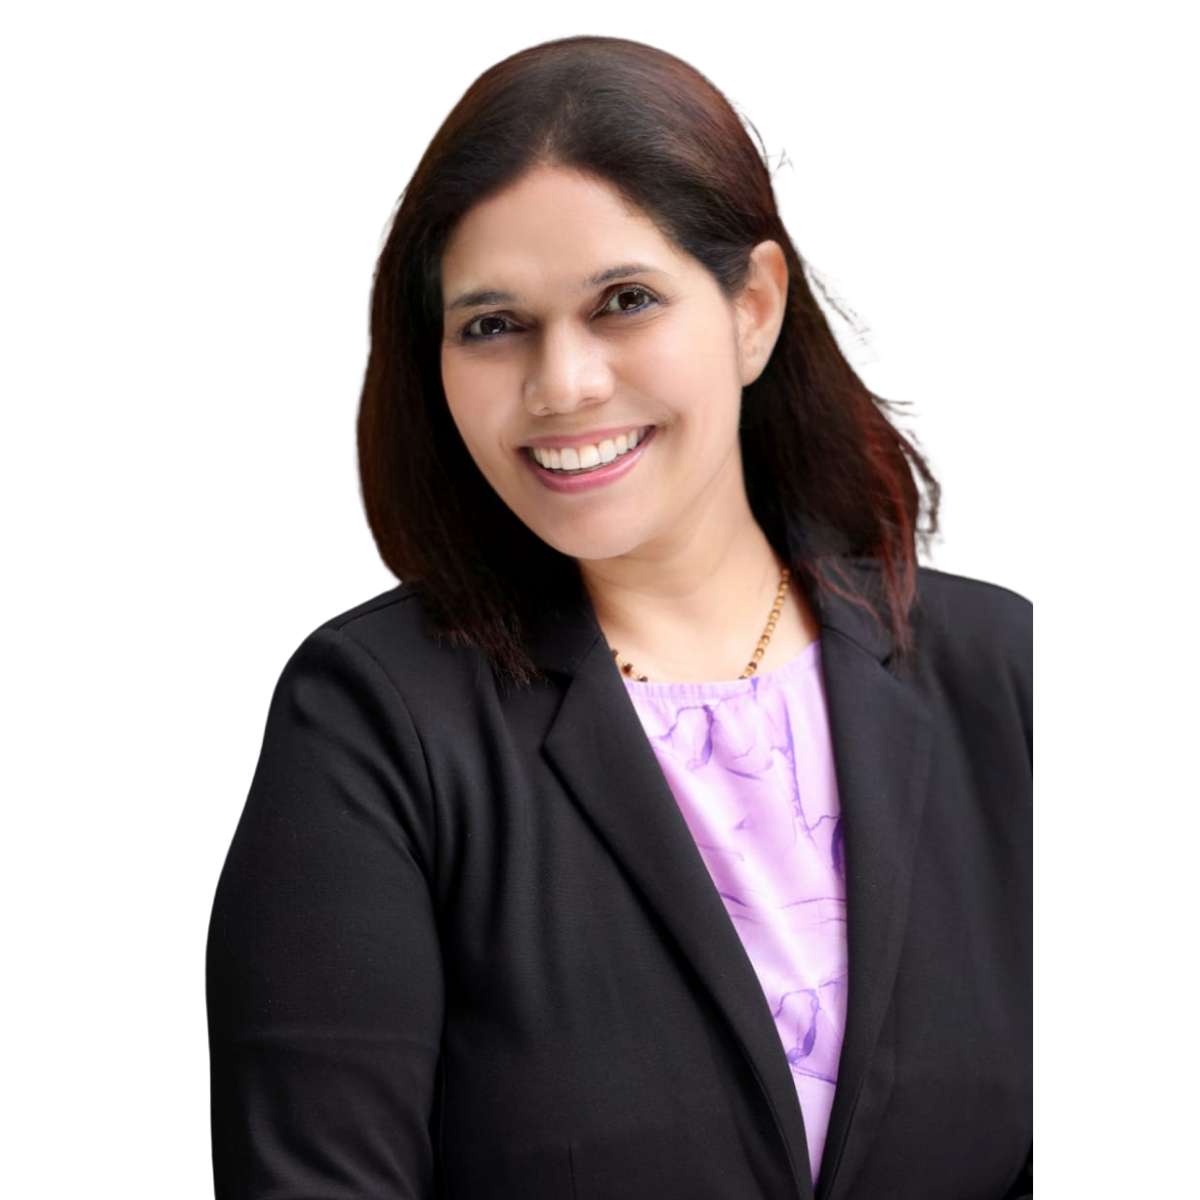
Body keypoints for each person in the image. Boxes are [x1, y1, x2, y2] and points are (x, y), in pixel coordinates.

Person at [205, 34, 1033, 1200]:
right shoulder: (370, 718)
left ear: (753, 309)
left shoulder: (1005, 671)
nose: (563, 385)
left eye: (625, 302)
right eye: (492, 324)